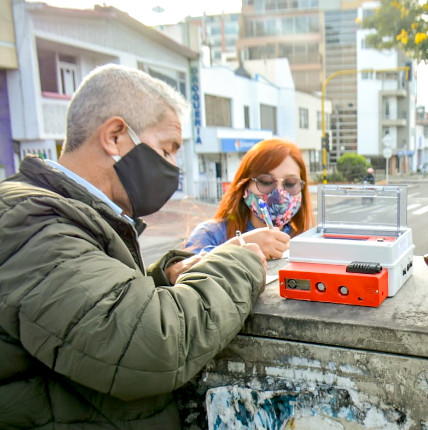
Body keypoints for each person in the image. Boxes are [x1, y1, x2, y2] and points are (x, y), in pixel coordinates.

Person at [0, 65, 267, 428]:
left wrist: (161, 279)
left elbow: (84, 316)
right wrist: (237, 261)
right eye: (166, 149)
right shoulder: (31, 221)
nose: (173, 166)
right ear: (115, 137)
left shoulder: (69, 216)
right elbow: (146, 343)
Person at [186, 138, 314, 257]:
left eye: (290, 183)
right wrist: (237, 250)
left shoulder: (306, 241)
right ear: (244, 186)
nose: (279, 193)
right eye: (265, 181)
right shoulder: (211, 234)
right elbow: (183, 274)